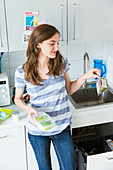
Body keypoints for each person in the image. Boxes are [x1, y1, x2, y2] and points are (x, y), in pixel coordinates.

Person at [14, 24, 100, 170]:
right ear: (38, 45)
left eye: (58, 43)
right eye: (52, 43)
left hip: (62, 127)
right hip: (38, 130)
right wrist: (28, 109)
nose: (57, 48)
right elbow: (17, 98)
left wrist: (85, 76)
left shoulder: (61, 63)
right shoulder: (22, 72)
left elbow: (70, 89)